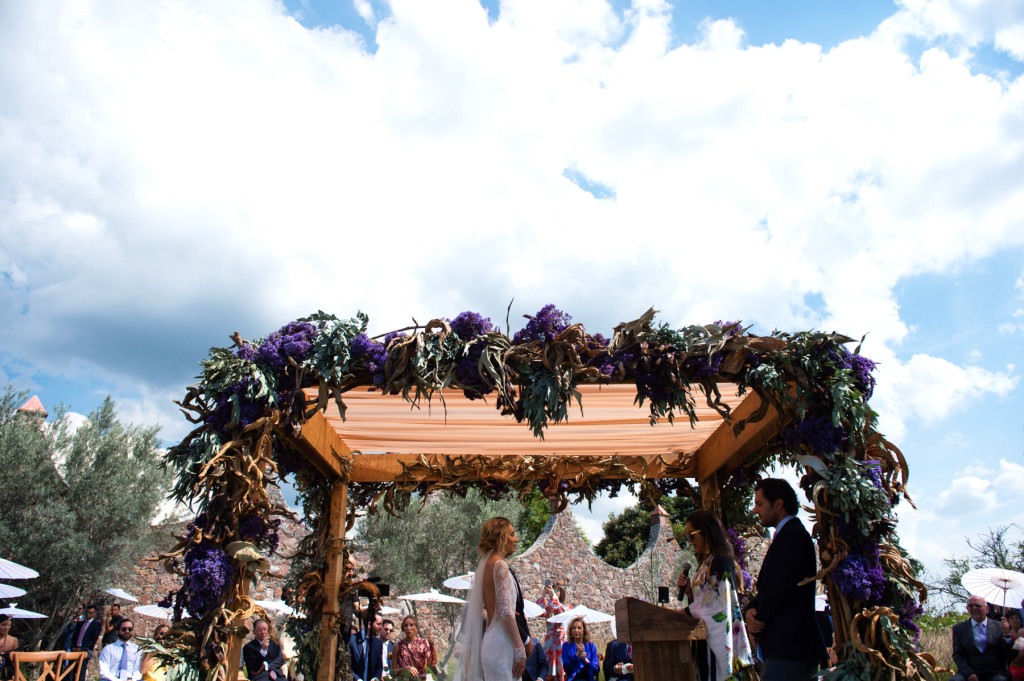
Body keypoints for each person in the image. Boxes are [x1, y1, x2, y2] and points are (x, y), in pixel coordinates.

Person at [743, 478, 826, 681]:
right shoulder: (786, 535)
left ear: (778, 504)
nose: (755, 510)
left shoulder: (793, 536)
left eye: (759, 504)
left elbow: (778, 589)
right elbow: (770, 586)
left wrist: (756, 619)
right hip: (787, 648)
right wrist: (750, 610)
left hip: (791, 647)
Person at [677, 510, 755, 680]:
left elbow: (718, 604)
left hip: (719, 641)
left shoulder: (720, 562)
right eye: (687, 536)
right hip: (705, 643)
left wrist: (686, 612)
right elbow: (704, 602)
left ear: (706, 532)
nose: (689, 541)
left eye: (692, 535)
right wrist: (690, 593)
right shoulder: (706, 563)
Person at [453, 516, 530, 681]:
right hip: (502, 645)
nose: (516, 539)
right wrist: (519, 648)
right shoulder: (499, 565)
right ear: (499, 537)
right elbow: (505, 612)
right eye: (512, 534)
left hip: (491, 640)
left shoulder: (486, 565)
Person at [951, 595, 1013, 681]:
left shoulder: (999, 627)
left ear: (987, 609)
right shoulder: (959, 629)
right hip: (970, 672)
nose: (974, 608)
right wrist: (969, 673)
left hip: (995, 672)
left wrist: (1006, 635)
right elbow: (958, 655)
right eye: (971, 606)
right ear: (967, 608)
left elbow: (1010, 655)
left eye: (978, 605)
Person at [536, 583, 567, 681]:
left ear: (561, 593)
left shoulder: (564, 607)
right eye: (553, 590)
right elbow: (539, 611)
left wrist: (553, 596)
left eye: (557, 591)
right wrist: (543, 595)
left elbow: (556, 607)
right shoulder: (549, 609)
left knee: (560, 669)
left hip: (559, 642)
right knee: (548, 669)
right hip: (549, 644)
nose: (554, 592)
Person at [392, 616, 437, 680]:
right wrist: (404, 669)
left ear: (416, 628)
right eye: (406, 625)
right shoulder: (398, 646)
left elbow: (432, 662)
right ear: (403, 628)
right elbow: (393, 673)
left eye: (411, 625)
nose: (408, 628)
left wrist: (431, 644)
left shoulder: (423, 643)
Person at [70, 604, 103, 681]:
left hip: (85, 650)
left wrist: (82, 648)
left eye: (90, 613)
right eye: (87, 612)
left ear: (94, 614)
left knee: (81, 670)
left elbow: (93, 639)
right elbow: (74, 636)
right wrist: (73, 647)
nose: (88, 614)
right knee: (71, 670)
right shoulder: (80, 623)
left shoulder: (96, 625)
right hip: (75, 649)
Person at [349, 610, 383, 681]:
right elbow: (348, 666)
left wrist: (375, 678)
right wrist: (357, 679)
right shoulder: (352, 640)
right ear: (369, 625)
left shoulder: (378, 643)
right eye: (378, 624)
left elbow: (379, 666)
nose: (381, 628)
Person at [0, 615, 19, 681]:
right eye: (3, 625)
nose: (6, 627)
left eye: (9, 625)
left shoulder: (14, 640)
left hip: (10, 673)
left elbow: (16, 660)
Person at [1006, 611, 1024, 681]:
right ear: (1008, 621)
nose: (1015, 620)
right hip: (1015, 666)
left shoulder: (1022, 632)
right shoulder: (1007, 635)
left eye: (1017, 618)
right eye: (1012, 618)